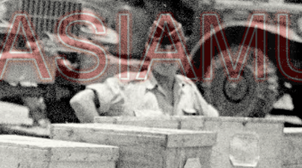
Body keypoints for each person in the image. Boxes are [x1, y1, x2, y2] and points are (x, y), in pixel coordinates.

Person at [68, 41, 219, 122]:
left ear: (182, 53)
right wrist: (104, 142)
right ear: (149, 52)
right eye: (160, 49)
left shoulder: (187, 87)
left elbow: (216, 122)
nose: (167, 56)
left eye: (174, 49)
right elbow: (81, 101)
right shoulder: (128, 84)